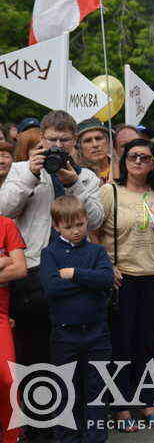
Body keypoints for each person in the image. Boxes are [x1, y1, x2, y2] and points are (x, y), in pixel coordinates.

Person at [0, 110, 104, 406]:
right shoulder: (21, 170)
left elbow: (95, 220)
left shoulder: (86, 177)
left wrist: (74, 185)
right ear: (41, 139)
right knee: (34, 351)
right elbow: (4, 210)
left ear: (74, 143)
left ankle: (74, 417)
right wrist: (32, 175)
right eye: (52, 140)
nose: (58, 146)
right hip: (33, 270)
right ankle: (39, 424)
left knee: (72, 350)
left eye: (65, 140)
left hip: (74, 270)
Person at [97, 138, 154, 429]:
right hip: (122, 278)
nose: (138, 162)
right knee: (121, 344)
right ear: (124, 160)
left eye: (145, 158)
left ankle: (146, 401)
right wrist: (107, 265)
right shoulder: (110, 192)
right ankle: (120, 405)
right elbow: (93, 232)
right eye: (133, 156)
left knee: (147, 343)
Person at [39, 195, 112, 443]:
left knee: (97, 388)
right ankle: (67, 438)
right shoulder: (49, 253)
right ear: (56, 226)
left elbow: (106, 279)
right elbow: (51, 288)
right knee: (65, 388)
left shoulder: (96, 251)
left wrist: (73, 274)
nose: (76, 231)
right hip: (64, 333)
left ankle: (95, 437)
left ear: (86, 221)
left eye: (80, 224)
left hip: (96, 332)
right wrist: (88, 282)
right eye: (69, 227)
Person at [0, 214, 26, 443]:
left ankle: (13, 437)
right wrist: (3, 260)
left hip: (0, 316)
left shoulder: (6, 224)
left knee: (9, 379)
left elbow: (20, 269)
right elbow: (11, 263)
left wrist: (9, 261)